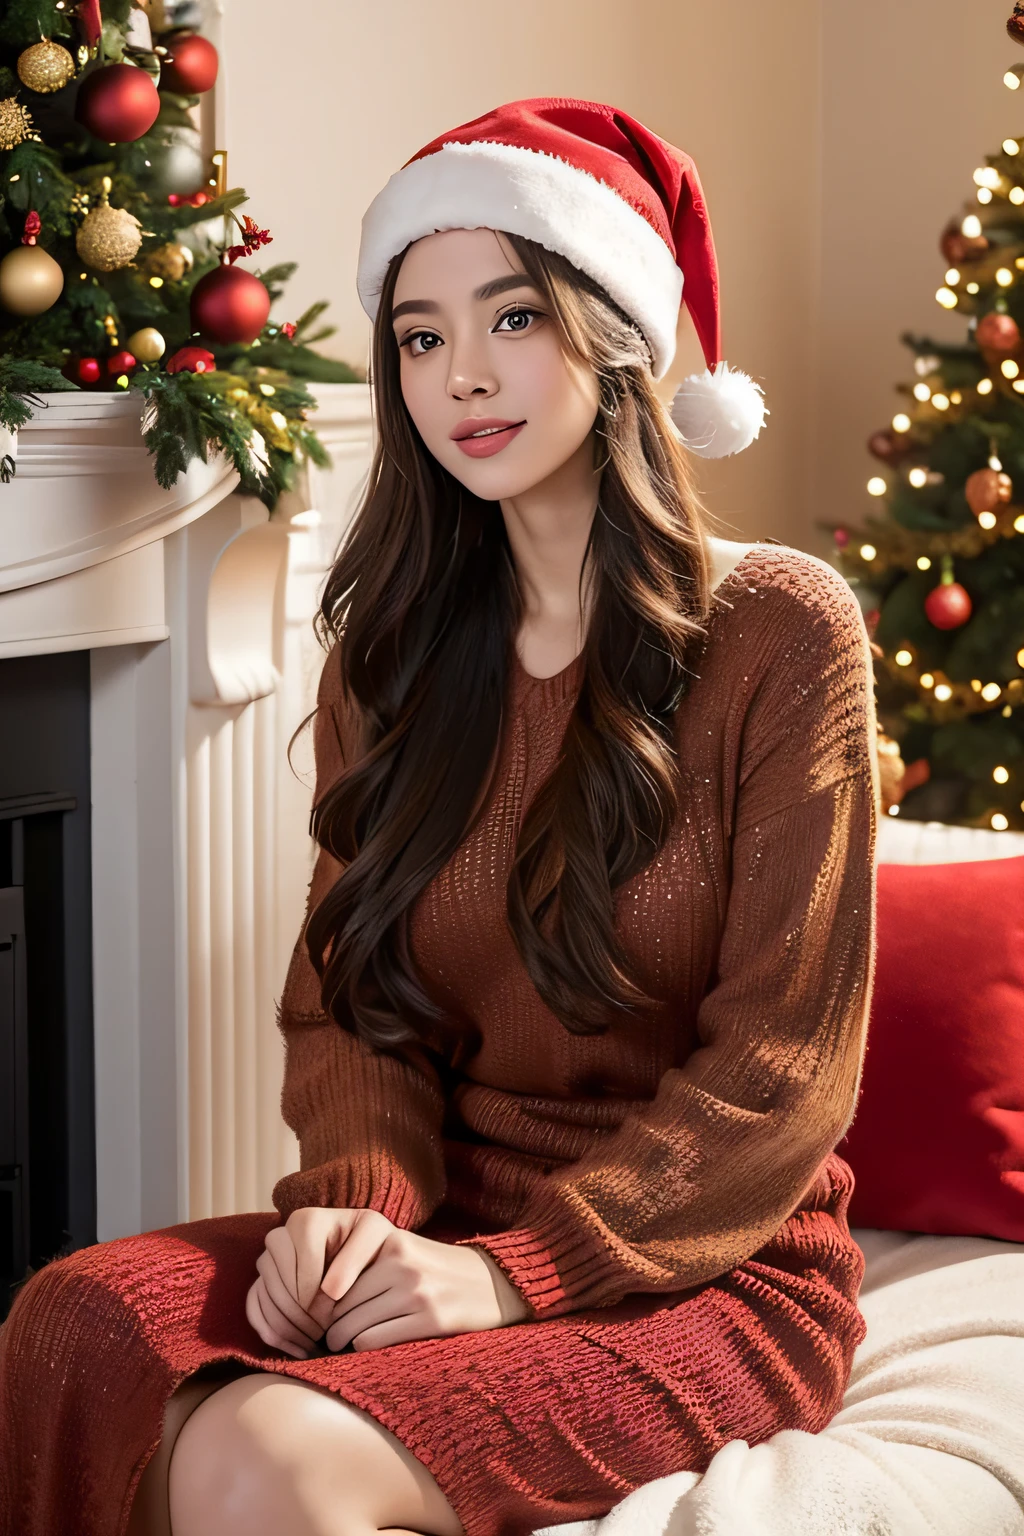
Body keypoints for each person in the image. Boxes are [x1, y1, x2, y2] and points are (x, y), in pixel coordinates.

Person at [0, 98, 879, 1536]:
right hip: (448, 1221)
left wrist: (520, 1276)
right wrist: (356, 1206)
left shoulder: (780, 635)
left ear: (612, 331)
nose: (463, 373)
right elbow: (355, 1003)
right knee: (72, 1319)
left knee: (263, 1454)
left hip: (708, 1264)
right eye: (420, 334)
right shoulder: (394, 652)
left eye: (513, 317)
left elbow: (783, 1075)